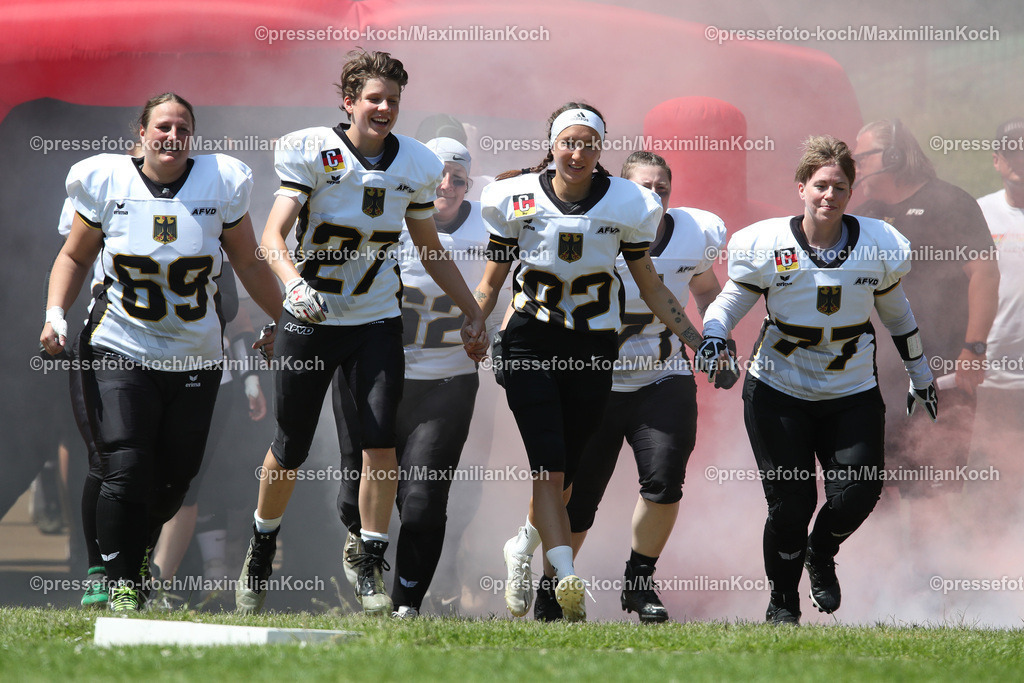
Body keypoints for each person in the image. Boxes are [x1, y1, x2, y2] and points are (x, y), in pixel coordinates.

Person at [235, 49, 487, 617]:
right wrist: (291, 286)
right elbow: (272, 235)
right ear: (348, 101)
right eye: (373, 98)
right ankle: (262, 541)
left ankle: (372, 559)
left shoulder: (416, 164)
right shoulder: (313, 152)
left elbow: (429, 248)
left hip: (374, 318)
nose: (384, 108)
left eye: (393, 101)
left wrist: (473, 309)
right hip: (312, 315)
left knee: (379, 443)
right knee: (291, 444)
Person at [40, 92, 283, 612]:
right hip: (118, 345)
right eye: (163, 127)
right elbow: (73, 256)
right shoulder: (106, 181)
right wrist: (55, 313)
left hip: (193, 355)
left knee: (174, 482)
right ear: (142, 133)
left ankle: (129, 553)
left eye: (183, 129)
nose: (172, 137)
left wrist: (285, 318)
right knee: (123, 463)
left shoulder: (220, 182)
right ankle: (119, 578)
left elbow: (250, 264)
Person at [474, 102, 705, 623]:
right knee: (549, 465)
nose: (577, 153)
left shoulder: (628, 204)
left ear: (602, 150)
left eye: (588, 144)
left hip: (593, 350)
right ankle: (565, 579)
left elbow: (652, 287)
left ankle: (522, 546)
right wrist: (475, 325)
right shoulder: (515, 198)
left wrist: (696, 339)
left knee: (568, 470)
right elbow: (491, 281)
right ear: (552, 143)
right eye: (568, 142)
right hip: (531, 342)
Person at [698, 135, 937, 625]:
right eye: (821, 185)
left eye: (840, 186)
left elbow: (897, 315)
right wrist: (716, 333)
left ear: (851, 192)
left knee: (861, 490)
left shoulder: (878, 244)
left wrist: (920, 373)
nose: (830, 195)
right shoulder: (767, 244)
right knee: (792, 502)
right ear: (801, 187)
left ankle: (821, 552)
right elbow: (730, 301)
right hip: (779, 388)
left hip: (850, 389)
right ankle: (783, 602)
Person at [560, 151, 731, 624]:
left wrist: (716, 337)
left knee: (664, 478)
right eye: (644, 187)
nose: (654, 196)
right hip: (595, 383)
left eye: (663, 189)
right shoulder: (594, 232)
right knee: (581, 496)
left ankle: (638, 582)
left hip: (662, 376)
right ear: (622, 190)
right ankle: (556, 583)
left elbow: (707, 291)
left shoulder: (694, 234)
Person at [336, 137, 503, 618]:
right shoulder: (388, 216)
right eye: (440, 176)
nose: (448, 186)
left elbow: (523, 277)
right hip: (372, 375)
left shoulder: (491, 226)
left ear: (471, 186)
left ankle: (406, 603)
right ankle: (362, 547)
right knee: (354, 494)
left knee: (425, 498)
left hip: (446, 379)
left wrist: (500, 329)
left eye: (459, 179)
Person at [853, 120, 998, 526]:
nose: (857, 168)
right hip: (876, 378)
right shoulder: (865, 216)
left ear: (895, 157)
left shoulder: (949, 202)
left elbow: (985, 276)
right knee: (867, 487)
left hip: (940, 372)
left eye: (863, 158)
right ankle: (881, 581)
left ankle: (934, 585)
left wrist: (974, 349)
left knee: (930, 493)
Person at [963, 117, 1024, 534]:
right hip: (990, 376)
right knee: (988, 482)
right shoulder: (978, 214)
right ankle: (990, 576)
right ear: (998, 160)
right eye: (1014, 151)